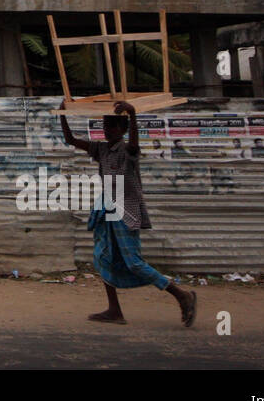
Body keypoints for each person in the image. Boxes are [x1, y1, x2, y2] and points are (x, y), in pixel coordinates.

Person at [59, 101, 196, 327]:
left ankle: (182, 295)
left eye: (112, 125)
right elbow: (71, 140)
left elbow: (133, 144)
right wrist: (62, 114)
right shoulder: (101, 149)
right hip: (108, 208)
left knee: (133, 262)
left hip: (126, 208)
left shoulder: (127, 150)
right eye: (105, 124)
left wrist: (132, 115)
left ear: (122, 129)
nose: (107, 129)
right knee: (103, 257)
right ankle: (114, 310)